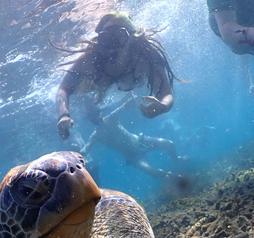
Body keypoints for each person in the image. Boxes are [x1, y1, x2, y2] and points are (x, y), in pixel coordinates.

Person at [55, 11, 175, 139]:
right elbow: (63, 88)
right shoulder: (92, 56)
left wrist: (162, 107)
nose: (112, 45)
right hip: (103, 78)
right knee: (100, 84)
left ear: (132, 38)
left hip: (133, 77)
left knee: (129, 83)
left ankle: (102, 92)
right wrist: (63, 115)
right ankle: (101, 92)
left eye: (119, 36)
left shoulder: (144, 56)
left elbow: (166, 93)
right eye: (106, 38)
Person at [80, 94, 188, 179]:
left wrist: (132, 98)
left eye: (96, 114)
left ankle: (176, 159)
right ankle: (172, 176)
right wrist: (78, 154)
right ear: (90, 120)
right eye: (92, 117)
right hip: (133, 156)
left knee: (169, 144)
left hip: (141, 141)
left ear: (99, 113)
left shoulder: (111, 118)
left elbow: (125, 106)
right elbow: (86, 148)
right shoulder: (96, 135)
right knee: (152, 171)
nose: (96, 118)